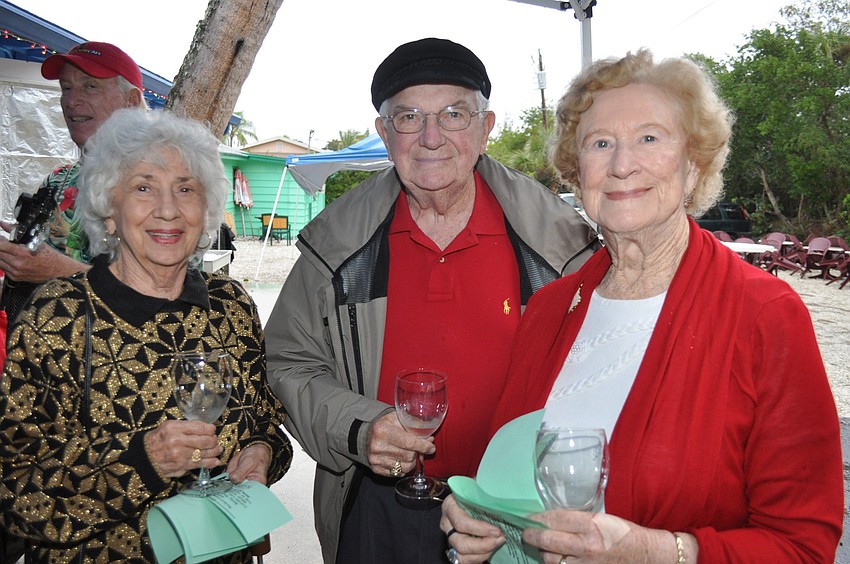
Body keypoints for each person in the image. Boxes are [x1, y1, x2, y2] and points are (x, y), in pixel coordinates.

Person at [440, 48, 843, 563]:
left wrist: (658, 552)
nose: (622, 164)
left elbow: (803, 545)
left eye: (649, 138)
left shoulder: (765, 313)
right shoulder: (549, 309)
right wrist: (479, 516)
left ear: (693, 167)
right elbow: (510, 476)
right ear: (577, 173)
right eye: (600, 143)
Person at [264, 37, 599, 564]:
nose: (431, 137)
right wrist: (358, 427)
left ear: (486, 129)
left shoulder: (559, 242)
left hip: (515, 509)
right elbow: (288, 361)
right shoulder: (337, 243)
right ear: (384, 134)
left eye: (453, 114)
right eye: (409, 117)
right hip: (377, 506)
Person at [0, 109, 293, 562]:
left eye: (185, 189)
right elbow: (16, 494)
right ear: (109, 210)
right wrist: (142, 461)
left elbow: (266, 422)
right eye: (143, 187)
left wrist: (261, 452)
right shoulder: (57, 317)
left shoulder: (230, 305)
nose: (168, 210)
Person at [0, 41, 148, 321]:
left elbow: (167, 301)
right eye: (66, 88)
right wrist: (17, 257)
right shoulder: (58, 180)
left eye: (90, 86)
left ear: (130, 101)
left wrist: (57, 270)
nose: (71, 101)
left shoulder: (162, 184)